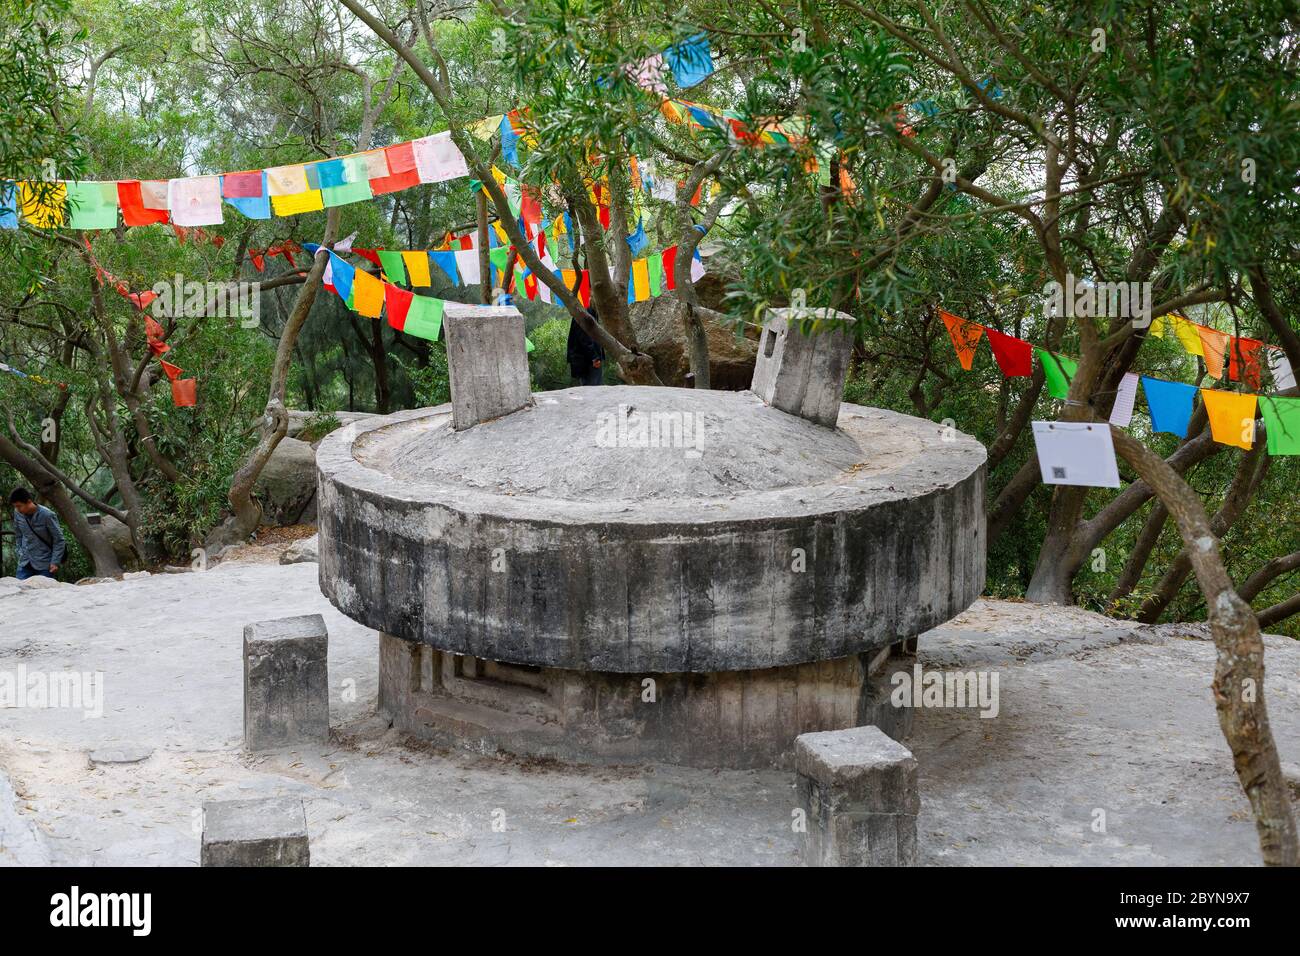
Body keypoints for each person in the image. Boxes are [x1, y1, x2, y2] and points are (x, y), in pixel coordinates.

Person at [9, 487, 65, 580]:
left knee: (44, 593)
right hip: (24, 562)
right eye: (15, 506)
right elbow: (18, 534)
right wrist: (19, 551)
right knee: (19, 590)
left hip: (44, 564)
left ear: (29, 501)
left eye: (19, 506)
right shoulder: (18, 513)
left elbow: (59, 540)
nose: (17, 509)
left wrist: (55, 562)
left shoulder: (47, 515)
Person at [567, 306, 605, 386]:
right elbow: (584, 337)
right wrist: (594, 357)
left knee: (592, 389)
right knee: (593, 390)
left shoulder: (585, 309)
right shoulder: (586, 310)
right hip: (587, 361)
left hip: (587, 359)